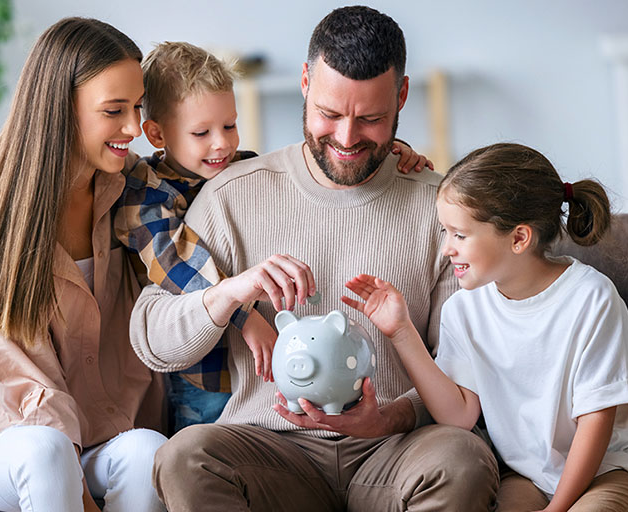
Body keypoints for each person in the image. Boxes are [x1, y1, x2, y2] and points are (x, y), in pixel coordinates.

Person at [130, 6, 498, 511]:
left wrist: (388, 418)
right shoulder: (231, 193)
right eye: (330, 114)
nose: (347, 139)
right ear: (305, 82)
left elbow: (466, 374)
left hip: (397, 449)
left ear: (402, 97)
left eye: (370, 119)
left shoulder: (441, 207)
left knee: (462, 459)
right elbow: (151, 340)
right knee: (184, 457)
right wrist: (229, 294)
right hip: (269, 449)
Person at [113, 41, 429, 433]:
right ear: (157, 134)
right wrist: (246, 317)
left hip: (253, 373)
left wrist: (388, 152)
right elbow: (177, 267)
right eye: (202, 132)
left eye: (229, 125)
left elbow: (313, 157)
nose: (222, 143)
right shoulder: (146, 196)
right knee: (202, 443)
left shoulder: (239, 170)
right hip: (205, 373)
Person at [0, 18, 168, 512]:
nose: (132, 128)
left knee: (148, 451)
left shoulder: (130, 190)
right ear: (61, 109)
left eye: (137, 107)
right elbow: (24, 382)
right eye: (114, 111)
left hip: (100, 436)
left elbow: (194, 231)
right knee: (46, 448)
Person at [342, 142, 628, 511]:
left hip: (614, 467)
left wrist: (556, 509)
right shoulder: (464, 310)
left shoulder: (591, 299)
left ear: (518, 238)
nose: (447, 248)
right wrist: (401, 331)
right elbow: (458, 415)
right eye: (444, 232)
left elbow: (596, 422)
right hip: (531, 474)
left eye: (459, 235)